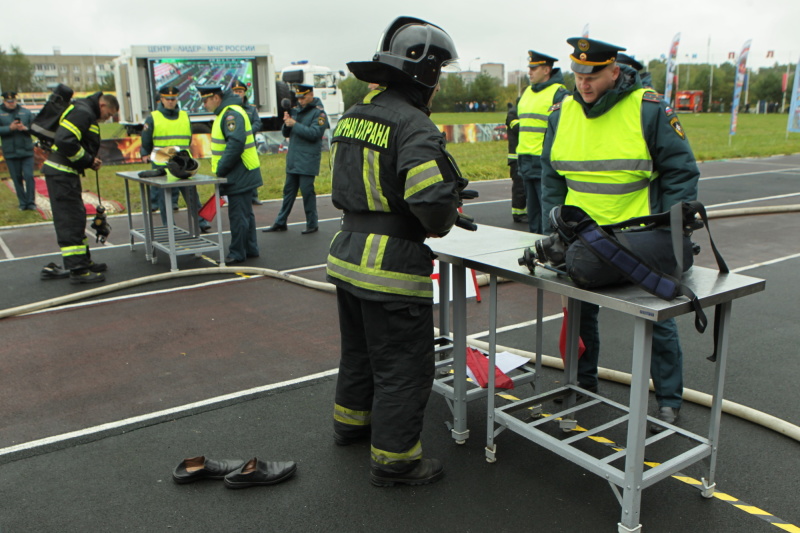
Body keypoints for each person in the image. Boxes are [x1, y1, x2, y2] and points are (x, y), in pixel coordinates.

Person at [326, 16, 464, 487]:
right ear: (424, 73)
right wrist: (445, 217)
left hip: (346, 255)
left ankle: (351, 424)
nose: (439, 82)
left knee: (360, 353)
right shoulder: (415, 125)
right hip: (391, 266)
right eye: (439, 71)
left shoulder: (354, 116)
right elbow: (429, 201)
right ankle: (396, 461)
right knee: (404, 366)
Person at [540, 37, 700, 432]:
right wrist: (555, 227)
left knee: (657, 319)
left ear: (614, 71)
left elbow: (682, 173)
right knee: (579, 316)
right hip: (583, 244)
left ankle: (668, 399)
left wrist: (667, 233)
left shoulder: (647, 109)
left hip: (637, 241)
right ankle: (581, 384)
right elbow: (551, 177)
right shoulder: (562, 113)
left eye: (592, 75)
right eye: (577, 74)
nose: (583, 83)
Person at [42, 92, 119, 284]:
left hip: (66, 173)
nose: (107, 119)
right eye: (108, 115)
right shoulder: (82, 113)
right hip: (61, 174)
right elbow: (65, 140)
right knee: (70, 220)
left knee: (76, 218)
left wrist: (87, 161)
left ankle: (84, 262)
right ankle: (78, 271)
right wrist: (88, 159)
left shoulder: (84, 112)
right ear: (102, 105)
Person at [197, 85, 262, 264]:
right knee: (245, 214)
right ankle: (250, 248)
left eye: (206, 100)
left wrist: (221, 170)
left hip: (238, 172)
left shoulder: (230, 114)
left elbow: (235, 143)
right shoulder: (229, 112)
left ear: (216, 98)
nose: (204, 104)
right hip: (244, 170)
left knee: (238, 215)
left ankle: (237, 253)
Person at [140, 86, 210, 232]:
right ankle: (168, 225)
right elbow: (146, 140)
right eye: (168, 99)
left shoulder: (185, 116)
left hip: (184, 164)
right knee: (165, 198)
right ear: (161, 100)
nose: (171, 102)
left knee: (191, 195)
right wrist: (145, 154)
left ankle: (201, 222)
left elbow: (188, 138)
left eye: (174, 99)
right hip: (162, 163)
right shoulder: (153, 117)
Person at [262, 83, 328, 234]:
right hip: (294, 158)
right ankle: (280, 221)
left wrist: (295, 124)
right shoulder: (296, 110)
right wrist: (286, 122)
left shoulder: (319, 114)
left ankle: (312, 223)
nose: (300, 100)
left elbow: (315, 134)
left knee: (307, 192)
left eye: (303, 97)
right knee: (288, 192)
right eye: (298, 97)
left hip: (307, 159)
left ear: (311, 95)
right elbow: (286, 133)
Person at [515, 50, 569, 234]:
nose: (529, 72)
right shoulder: (527, 92)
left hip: (544, 160)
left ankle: (550, 247)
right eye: (529, 68)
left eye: (534, 68)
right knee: (533, 212)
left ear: (546, 70)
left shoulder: (558, 93)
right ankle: (533, 247)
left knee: (549, 210)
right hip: (525, 159)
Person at [0, 91, 36, 211]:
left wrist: (25, 128)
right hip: (11, 151)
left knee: (29, 176)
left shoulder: (25, 112)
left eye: (13, 101)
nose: (11, 104)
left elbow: (36, 126)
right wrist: (9, 128)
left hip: (26, 150)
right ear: (4, 101)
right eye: (8, 102)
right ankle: (22, 203)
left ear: (16, 100)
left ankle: (31, 202)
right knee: (16, 178)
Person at [230, 78, 264, 206]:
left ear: (244, 93)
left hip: (248, 146)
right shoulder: (230, 109)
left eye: (240, 91)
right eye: (235, 91)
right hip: (235, 145)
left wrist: (247, 133)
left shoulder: (251, 109)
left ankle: (254, 196)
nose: (238, 94)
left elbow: (257, 123)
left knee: (251, 169)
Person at [505, 102, 526, 223]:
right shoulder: (513, 113)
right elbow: (517, 128)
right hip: (516, 157)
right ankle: (518, 213)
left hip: (523, 156)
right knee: (519, 187)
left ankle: (523, 211)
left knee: (524, 186)